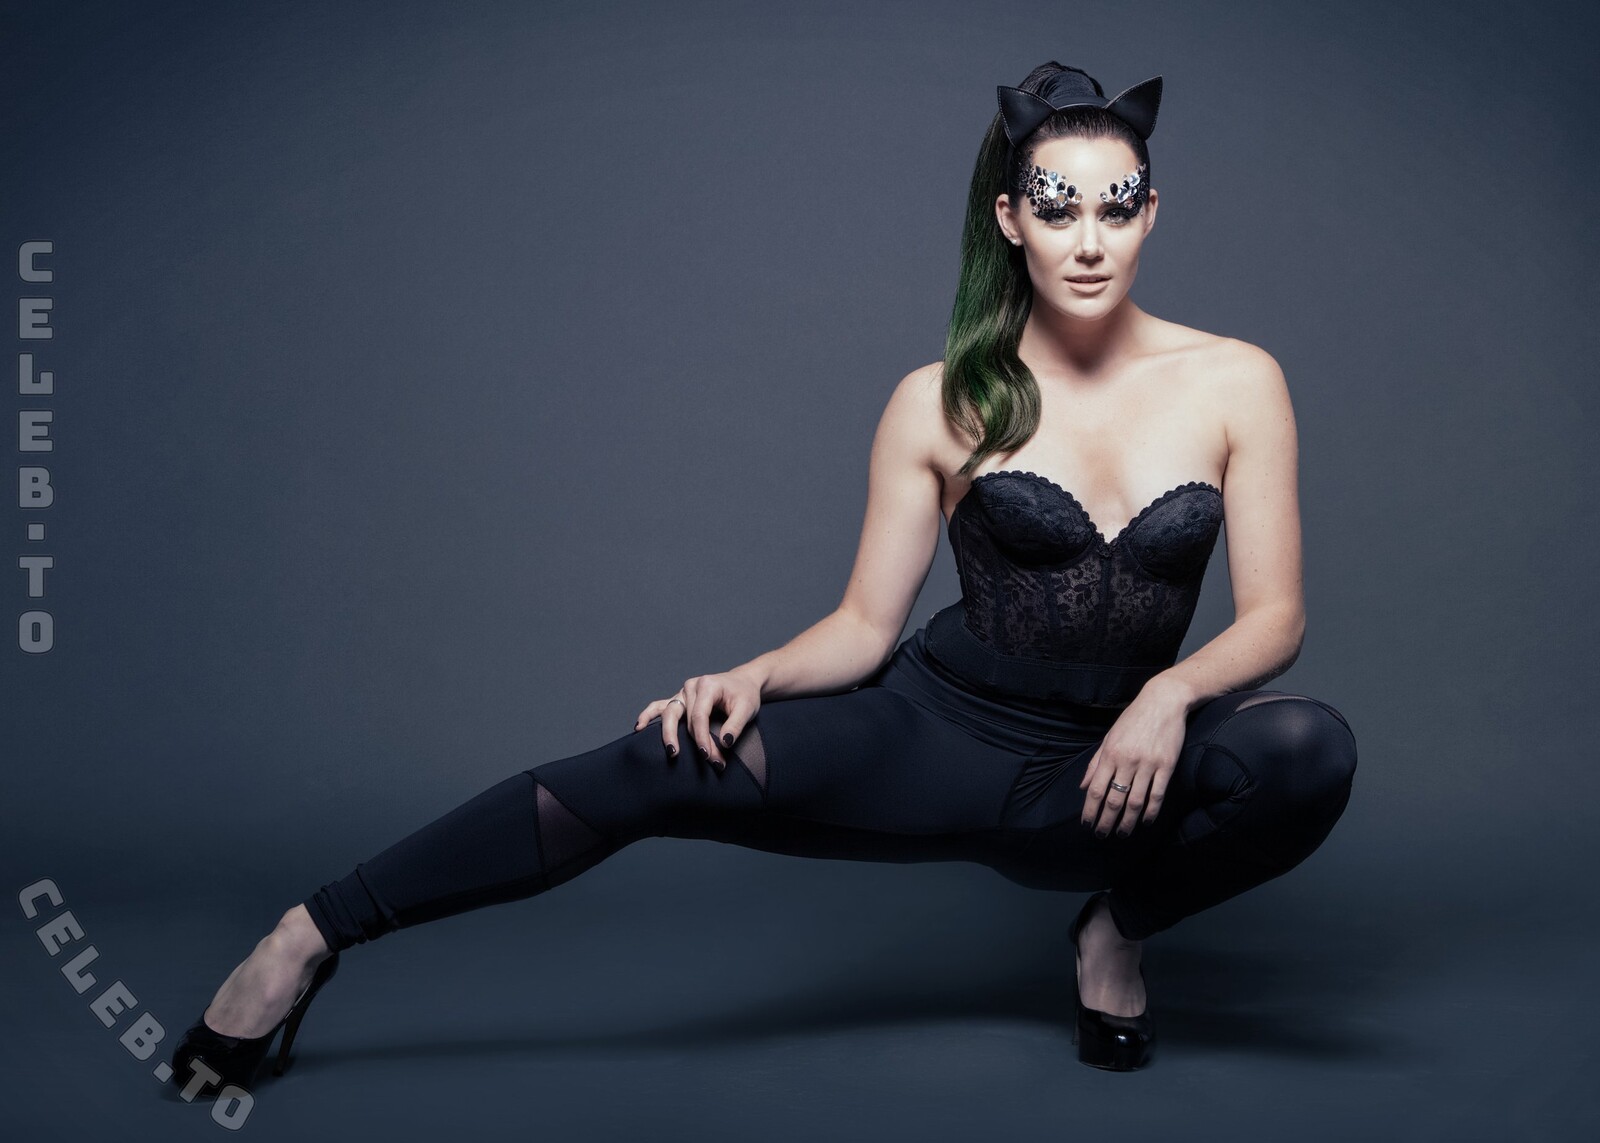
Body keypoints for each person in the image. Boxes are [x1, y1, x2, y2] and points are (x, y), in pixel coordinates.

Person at [168, 61, 1358, 1089]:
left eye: (1115, 207)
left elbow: (1276, 618)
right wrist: (752, 674)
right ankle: (306, 937)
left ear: (1152, 211)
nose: (1087, 242)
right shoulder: (940, 399)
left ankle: (1114, 932)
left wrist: (1166, 696)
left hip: (1106, 779)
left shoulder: (1235, 381)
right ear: (1009, 220)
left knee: (1307, 750)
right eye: (1057, 210)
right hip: (936, 742)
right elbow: (864, 624)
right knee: (657, 759)